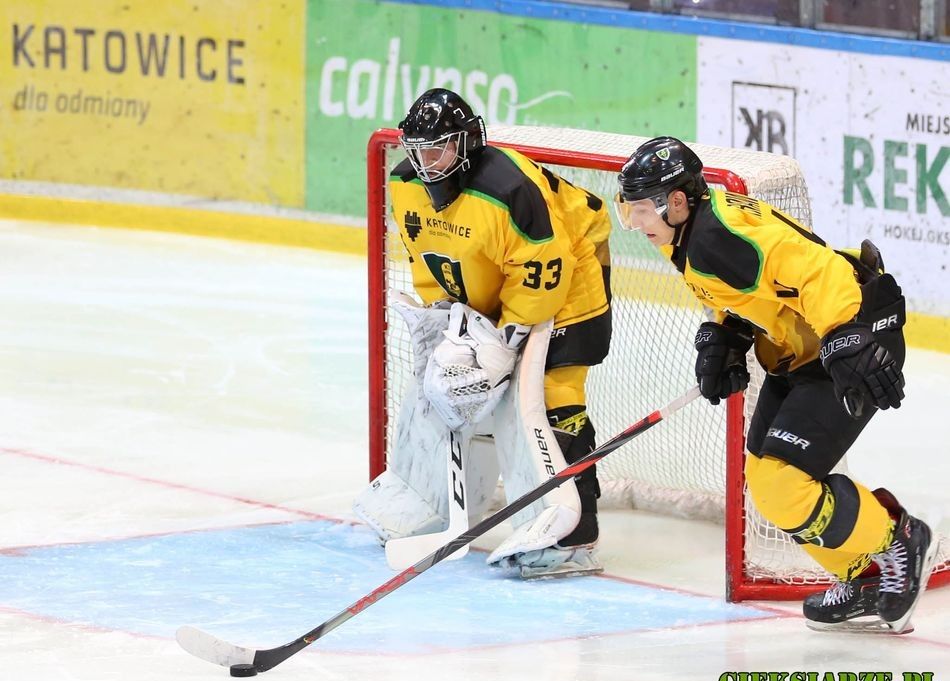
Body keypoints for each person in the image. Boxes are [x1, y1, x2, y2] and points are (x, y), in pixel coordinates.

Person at [614, 136, 937, 633]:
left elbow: (820, 271)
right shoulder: (695, 227)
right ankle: (864, 574)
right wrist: (727, 332)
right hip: (799, 350)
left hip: (851, 341)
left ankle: (898, 541)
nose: (634, 223)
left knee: (786, 486)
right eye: (628, 210)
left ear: (675, 201)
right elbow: (753, 288)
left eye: (639, 210)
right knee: (767, 483)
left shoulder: (713, 238)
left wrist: (845, 335)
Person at [353, 88, 612, 578]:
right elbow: (426, 256)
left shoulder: (509, 190)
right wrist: (448, 321)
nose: (427, 163)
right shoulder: (405, 183)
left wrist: (507, 342)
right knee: (447, 383)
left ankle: (574, 537)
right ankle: (436, 504)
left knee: (552, 395)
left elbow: (542, 271)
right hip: (497, 284)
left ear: (468, 142)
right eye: (420, 151)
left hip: (569, 281)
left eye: (440, 150)